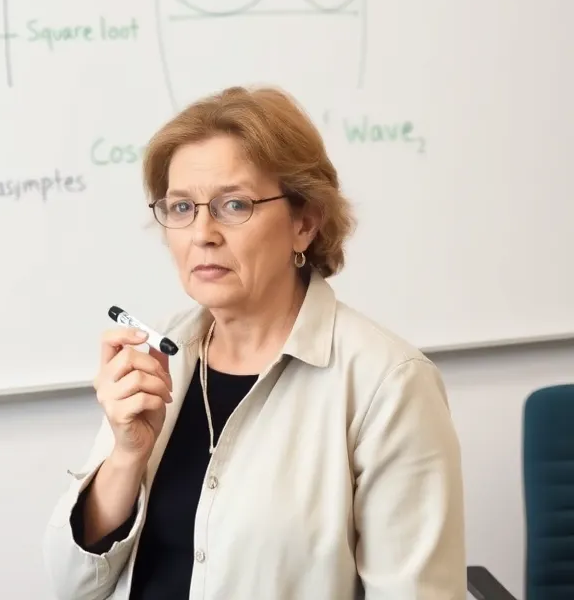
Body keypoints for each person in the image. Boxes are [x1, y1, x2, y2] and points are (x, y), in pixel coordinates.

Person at [43, 85, 466, 600]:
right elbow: (71, 585)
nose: (202, 233)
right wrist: (127, 456)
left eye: (234, 205)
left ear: (303, 223)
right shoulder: (165, 353)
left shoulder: (388, 384)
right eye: (181, 207)